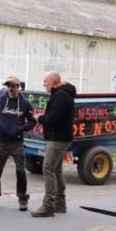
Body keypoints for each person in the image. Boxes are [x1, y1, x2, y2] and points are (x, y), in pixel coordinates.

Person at [0, 75, 35, 211]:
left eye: (13, 86)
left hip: (17, 142)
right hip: (2, 142)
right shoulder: (0, 100)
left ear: (18, 87)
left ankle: (22, 198)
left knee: (21, 171)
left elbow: (32, 121)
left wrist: (21, 128)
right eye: (8, 86)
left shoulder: (24, 103)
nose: (10, 88)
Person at [31, 71, 76, 218]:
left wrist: (40, 118)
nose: (44, 84)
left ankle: (48, 205)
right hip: (59, 138)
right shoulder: (61, 94)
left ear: (54, 81)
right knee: (56, 169)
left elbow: (55, 118)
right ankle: (60, 204)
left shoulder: (61, 95)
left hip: (58, 139)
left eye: (46, 81)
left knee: (48, 168)